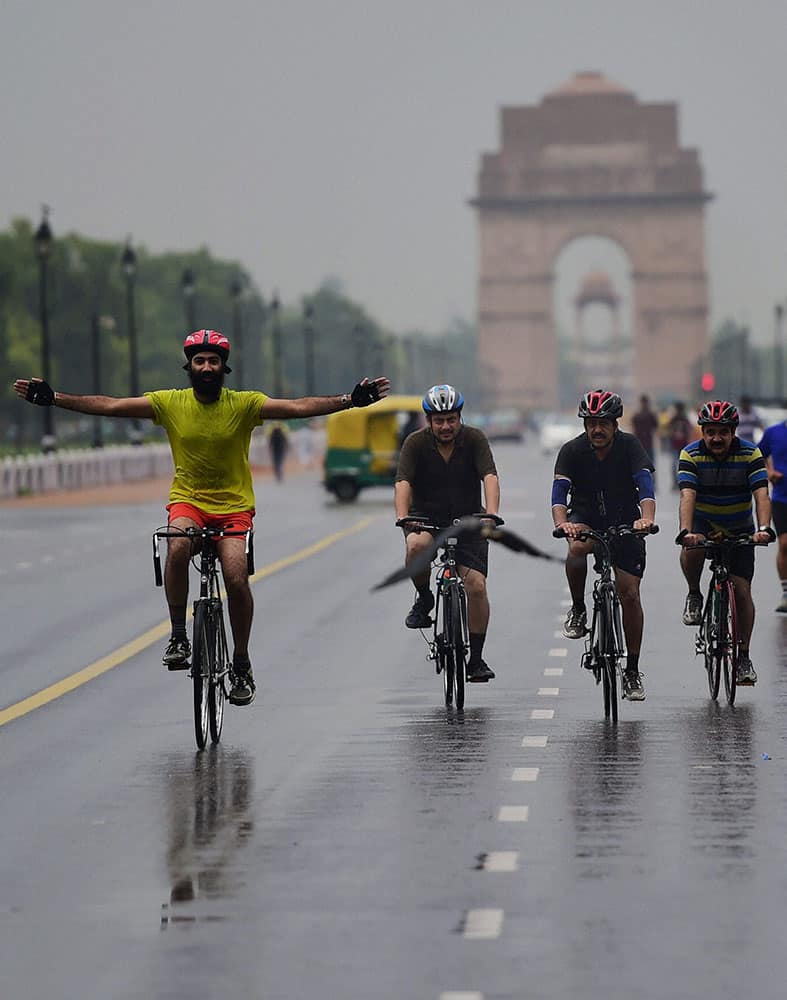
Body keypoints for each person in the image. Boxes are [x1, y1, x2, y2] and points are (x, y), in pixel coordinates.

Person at [13, 329, 390, 706]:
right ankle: (179, 635)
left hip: (233, 508)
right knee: (176, 547)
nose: (206, 367)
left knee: (236, 576)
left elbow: (296, 407)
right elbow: (111, 406)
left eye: (213, 361)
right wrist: (55, 398)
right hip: (188, 502)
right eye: (199, 361)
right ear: (189, 367)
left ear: (224, 367)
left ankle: (240, 662)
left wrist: (348, 400)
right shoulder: (169, 404)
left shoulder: (243, 404)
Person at [551, 389, 656, 702]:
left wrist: (646, 520)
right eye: (591, 422)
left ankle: (633, 670)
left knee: (630, 594)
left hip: (626, 519)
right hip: (585, 514)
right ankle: (579, 609)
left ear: (615, 424)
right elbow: (559, 495)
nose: (597, 429)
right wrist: (563, 524)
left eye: (604, 423)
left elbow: (646, 486)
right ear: (584, 424)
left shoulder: (631, 446)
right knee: (576, 548)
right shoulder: (571, 450)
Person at [395, 384, 500, 683]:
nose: (445, 426)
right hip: (424, 518)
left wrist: (490, 514)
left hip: (468, 518)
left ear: (459, 417)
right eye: (439, 420)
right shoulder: (414, 443)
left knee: (476, 586)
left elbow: (489, 476)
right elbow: (403, 482)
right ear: (428, 420)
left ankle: (476, 659)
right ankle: (425, 597)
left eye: (451, 419)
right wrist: (403, 518)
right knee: (416, 547)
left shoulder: (475, 439)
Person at [677, 400, 773, 685]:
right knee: (691, 547)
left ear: (733, 432)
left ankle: (743, 657)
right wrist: (686, 531)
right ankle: (694, 593)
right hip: (703, 523)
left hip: (739, 526)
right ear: (702, 433)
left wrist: (764, 528)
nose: (716, 438)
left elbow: (761, 494)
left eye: (722, 432)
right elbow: (687, 495)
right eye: (710, 432)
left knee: (742, 591)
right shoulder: (690, 455)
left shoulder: (750, 453)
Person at [753, 414, 787, 612]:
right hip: (782, 498)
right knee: (784, 543)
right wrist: (769, 473)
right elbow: (758, 456)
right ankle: (785, 592)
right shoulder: (774, 433)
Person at [631, 394, 660, 489]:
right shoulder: (651, 415)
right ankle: (652, 484)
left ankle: (642, 483)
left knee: (640, 464)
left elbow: (633, 428)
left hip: (640, 443)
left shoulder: (637, 415)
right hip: (648, 442)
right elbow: (656, 427)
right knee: (651, 464)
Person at [667, 400, 694, 490]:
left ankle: (675, 483)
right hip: (682, 445)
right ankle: (680, 482)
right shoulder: (684, 419)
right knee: (681, 465)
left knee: (675, 465)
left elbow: (669, 430)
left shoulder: (675, 419)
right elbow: (690, 430)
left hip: (677, 445)